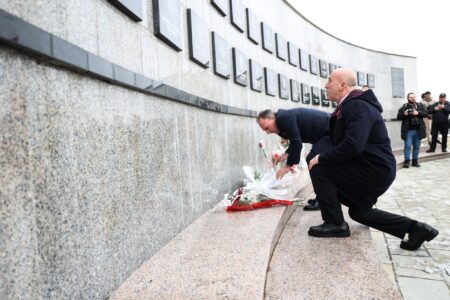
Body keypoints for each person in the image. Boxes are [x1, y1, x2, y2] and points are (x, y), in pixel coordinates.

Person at [307, 68, 438, 251]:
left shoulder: (357, 106)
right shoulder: (350, 105)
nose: (325, 85)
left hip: (373, 169)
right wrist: (317, 155)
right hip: (370, 167)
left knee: (319, 169)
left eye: (329, 80)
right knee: (360, 213)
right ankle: (416, 229)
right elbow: (334, 139)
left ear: (342, 85)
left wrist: (320, 158)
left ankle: (335, 223)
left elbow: (353, 145)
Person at [256, 108, 330, 211]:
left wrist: (288, 166)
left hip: (330, 131)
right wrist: (287, 154)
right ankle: (322, 198)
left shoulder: (284, 119)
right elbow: (295, 139)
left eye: (267, 128)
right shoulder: (280, 123)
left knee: (313, 162)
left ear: (273, 118)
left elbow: (297, 143)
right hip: (323, 135)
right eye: (265, 130)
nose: (268, 132)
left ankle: (323, 201)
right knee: (315, 162)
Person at [397, 92, 427, 167]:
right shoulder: (404, 106)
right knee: (407, 146)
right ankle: (407, 161)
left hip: (418, 130)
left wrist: (418, 113)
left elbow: (426, 114)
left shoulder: (420, 105)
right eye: (411, 97)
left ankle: (415, 161)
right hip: (408, 131)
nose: (412, 98)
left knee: (416, 146)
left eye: (413, 97)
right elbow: (398, 117)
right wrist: (404, 114)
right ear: (408, 98)